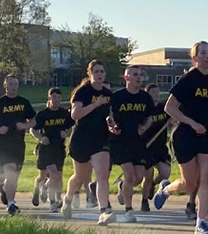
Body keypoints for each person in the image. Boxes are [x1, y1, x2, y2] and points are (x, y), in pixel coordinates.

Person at [161, 41, 208, 234]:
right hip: (185, 134)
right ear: (195, 58)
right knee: (191, 183)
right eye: (203, 53)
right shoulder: (188, 80)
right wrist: (191, 123)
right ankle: (167, 189)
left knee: (206, 177)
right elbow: (169, 107)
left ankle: (201, 222)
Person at [65, 60, 114, 222]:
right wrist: (95, 104)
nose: (100, 74)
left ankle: (104, 210)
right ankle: (68, 198)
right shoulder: (82, 92)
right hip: (81, 139)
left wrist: (112, 124)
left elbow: (109, 115)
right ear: (90, 74)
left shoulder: (108, 94)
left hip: (100, 138)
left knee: (102, 174)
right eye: (97, 72)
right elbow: (75, 115)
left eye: (102, 71)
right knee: (80, 176)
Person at [0, 75, 36, 215]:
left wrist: (24, 125)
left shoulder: (24, 103)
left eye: (15, 83)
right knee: (9, 174)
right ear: (5, 85)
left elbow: (33, 121)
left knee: (12, 177)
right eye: (11, 83)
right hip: (2, 145)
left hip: (18, 144)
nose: (13, 86)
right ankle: (10, 204)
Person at [109, 65, 155, 223]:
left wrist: (145, 126)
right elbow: (109, 116)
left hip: (139, 142)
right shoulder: (118, 96)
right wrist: (112, 125)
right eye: (135, 75)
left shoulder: (145, 98)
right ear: (126, 78)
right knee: (129, 175)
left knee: (138, 177)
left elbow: (150, 117)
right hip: (121, 141)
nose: (138, 77)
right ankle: (128, 210)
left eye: (140, 75)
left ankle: (122, 187)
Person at [31, 88, 73, 212]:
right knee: (45, 175)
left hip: (59, 148)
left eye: (58, 97)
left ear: (61, 99)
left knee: (58, 176)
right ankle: (51, 200)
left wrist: (66, 133)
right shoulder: (43, 114)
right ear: (49, 98)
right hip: (46, 149)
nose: (56, 100)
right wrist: (41, 138)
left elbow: (70, 127)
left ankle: (55, 197)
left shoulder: (64, 114)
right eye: (53, 97)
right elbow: (33, 129)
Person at [139, 84, 172, 211]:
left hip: (160, 146)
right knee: (148, 175)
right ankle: (144, 200)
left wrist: (172, 121)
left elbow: (172, 118)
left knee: (165, 173)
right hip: (147, 146)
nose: (157, 95)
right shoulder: (144, 110)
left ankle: (153, 185)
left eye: (158, 92)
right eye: (153, 93)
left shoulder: (163, 107)